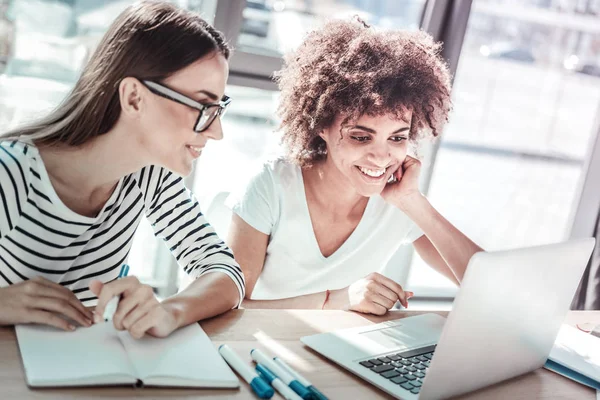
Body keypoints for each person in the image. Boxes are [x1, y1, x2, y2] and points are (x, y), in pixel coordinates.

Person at [0, 1, 244, 338]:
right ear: (133, 98)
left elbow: (226, 273)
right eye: (203, 106)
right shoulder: (11, 175)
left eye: (218, 109)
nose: (217, 132)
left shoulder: (150, 176)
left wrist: (169, 311)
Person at [227, 19, 483, 315]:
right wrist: (336, 301)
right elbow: (230, 309)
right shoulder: (272, 185)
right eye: (361, 137)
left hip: (338, 351)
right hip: (257, 350)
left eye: (397, 137)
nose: (381, 157)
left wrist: (413, 203)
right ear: (322, 125)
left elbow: (488, 289)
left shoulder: (399, 201)